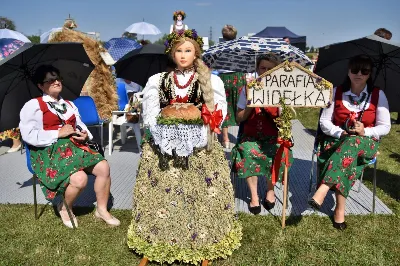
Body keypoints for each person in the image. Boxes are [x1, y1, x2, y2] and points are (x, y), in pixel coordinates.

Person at [127, 29, 241, 264]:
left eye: (187, 50)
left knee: (200, 194)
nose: (182, 55)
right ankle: (158, 239)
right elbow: (150, 115)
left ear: (196, 53)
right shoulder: (158, 80)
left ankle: (204, 238)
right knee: (161, 194)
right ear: (172, 53)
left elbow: (218, 113)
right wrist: (163, 129)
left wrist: (203, 121)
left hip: (200, 148)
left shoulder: (210, 80)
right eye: (178, 50)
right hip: (163, 147)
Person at [19, 65, 120, 228]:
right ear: (40, 85)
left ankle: (101, 210)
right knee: (80, 179)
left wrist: (85, 134)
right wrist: (57, 134)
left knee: (103, 167)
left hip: (74, 147)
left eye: (58, 78)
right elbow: (28, 136)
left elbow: (80, 124)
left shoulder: (69, 104)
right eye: (50, 80)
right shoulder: (33, 106)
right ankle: (65, 208)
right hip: (49, 151)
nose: (56, 82)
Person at [308, 55, 391, 230]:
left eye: (364, 70)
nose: (359, 74)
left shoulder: (378, 95)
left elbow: (385, 127)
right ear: (348, 71)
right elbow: (324, 122)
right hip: (338, 140)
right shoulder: (336, 92)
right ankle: (340, 210)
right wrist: (340, 132)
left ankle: (323, 188)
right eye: (355, 70)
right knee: (348, 152)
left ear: (369, 74)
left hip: (366, 143)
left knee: (353, 142)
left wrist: (365, 131)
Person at [231, 53, 293, 215]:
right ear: (257, 70)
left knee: (276, 150)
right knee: (249, 151)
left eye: (270, 69)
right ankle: (254, 196)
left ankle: (270, 190)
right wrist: (251, 103)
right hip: (251, 135)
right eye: (262, 68)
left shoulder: (282, 90)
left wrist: (273, 108)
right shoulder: (247, 89)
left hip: (273, 135)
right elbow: (239, 118)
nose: (265, 72)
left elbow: (285, 120)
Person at [218, 25, 247, 148]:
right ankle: (242, 137)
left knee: (225, 106)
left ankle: (225, 139)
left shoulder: (219, 48)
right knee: (241, 106)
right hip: (238, 77)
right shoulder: (241, 48)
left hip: (224, 78)